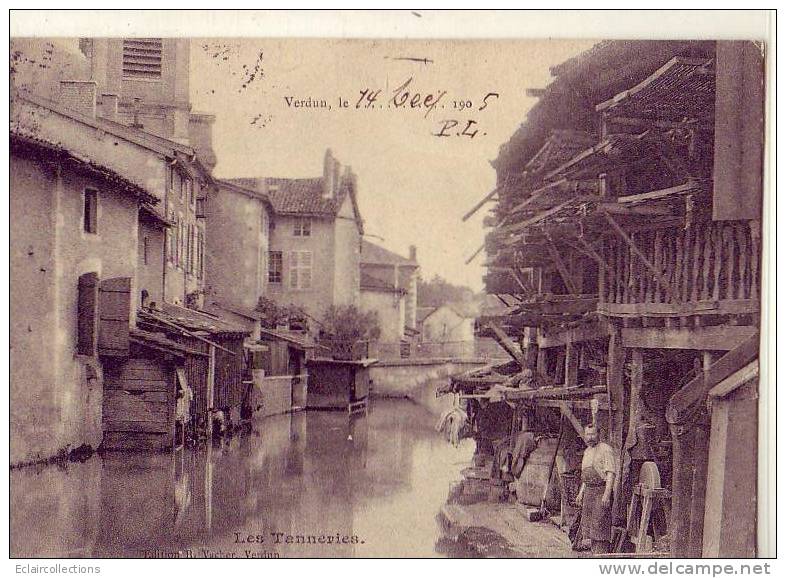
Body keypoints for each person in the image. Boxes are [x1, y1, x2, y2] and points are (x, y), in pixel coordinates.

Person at [575, 424, 616, 555]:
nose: (590, 437)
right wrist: (581, 493)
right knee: (591, 529)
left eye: (593, 434)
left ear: (598, 434)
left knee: (600, 527)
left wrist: (606, 495)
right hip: (589, 492)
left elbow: (610, 474)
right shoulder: (587, 451)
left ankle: (601, 557)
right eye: (587, 434)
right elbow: (586, 476)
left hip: (600, 492)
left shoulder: (606, 449)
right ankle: (594, 554)